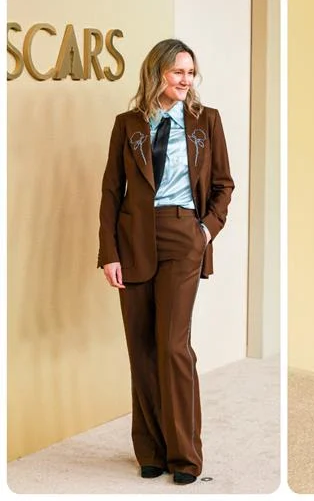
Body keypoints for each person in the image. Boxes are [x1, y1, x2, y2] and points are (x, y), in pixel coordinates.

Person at [97, 38, 234, 484]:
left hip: (183, 235)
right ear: (157, 72)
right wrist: (109, 253)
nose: (185, 80)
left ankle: (185, 456)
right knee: (141, 348)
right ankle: (151, 452)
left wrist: (205, 230)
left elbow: (223, 185)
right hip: (134, 238)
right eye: (178, 71)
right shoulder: (128, 124)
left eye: (191, 72)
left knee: (173, 346)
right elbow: (110, 192)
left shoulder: (205, 121)